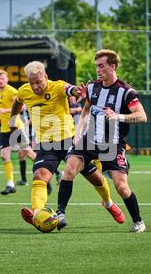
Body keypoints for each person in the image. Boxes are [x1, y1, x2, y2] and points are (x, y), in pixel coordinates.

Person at [56, 49, 147, 233]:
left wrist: (118, 116)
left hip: (112, 144)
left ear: (112, 66)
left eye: (101, 66)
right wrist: (78, 133)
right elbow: (85, 110)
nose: (98, 70)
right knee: (69, 169)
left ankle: (138, 221)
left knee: (121, 187)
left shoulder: (126, 91)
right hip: (88, 140)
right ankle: (60, 214)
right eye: (96, 66)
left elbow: (142, 116)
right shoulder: (92, 88)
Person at [9, 61, 91, 228]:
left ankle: (108, 202)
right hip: (46, 144)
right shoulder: (24, 90)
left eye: (38, 82)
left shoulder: (57, 86)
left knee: (94, 176)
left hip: (69, 139)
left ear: (45, 77)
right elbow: (18, 101)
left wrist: (78, 91)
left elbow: (71, 89)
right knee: (39, 175)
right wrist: (13, 118)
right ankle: (37, 214)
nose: (35, 86)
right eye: (32, 83)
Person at [0, 69, 38, 195]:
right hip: (4, 129)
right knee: (4, 155)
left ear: (7, 79)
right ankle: (10, 185)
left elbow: (22, 107)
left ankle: (54, 171)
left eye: (2, 78)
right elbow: (1, 112)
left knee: (28, 152)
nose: (0, 81)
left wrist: (2, 111)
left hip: (16, 127)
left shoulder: (12, 91)